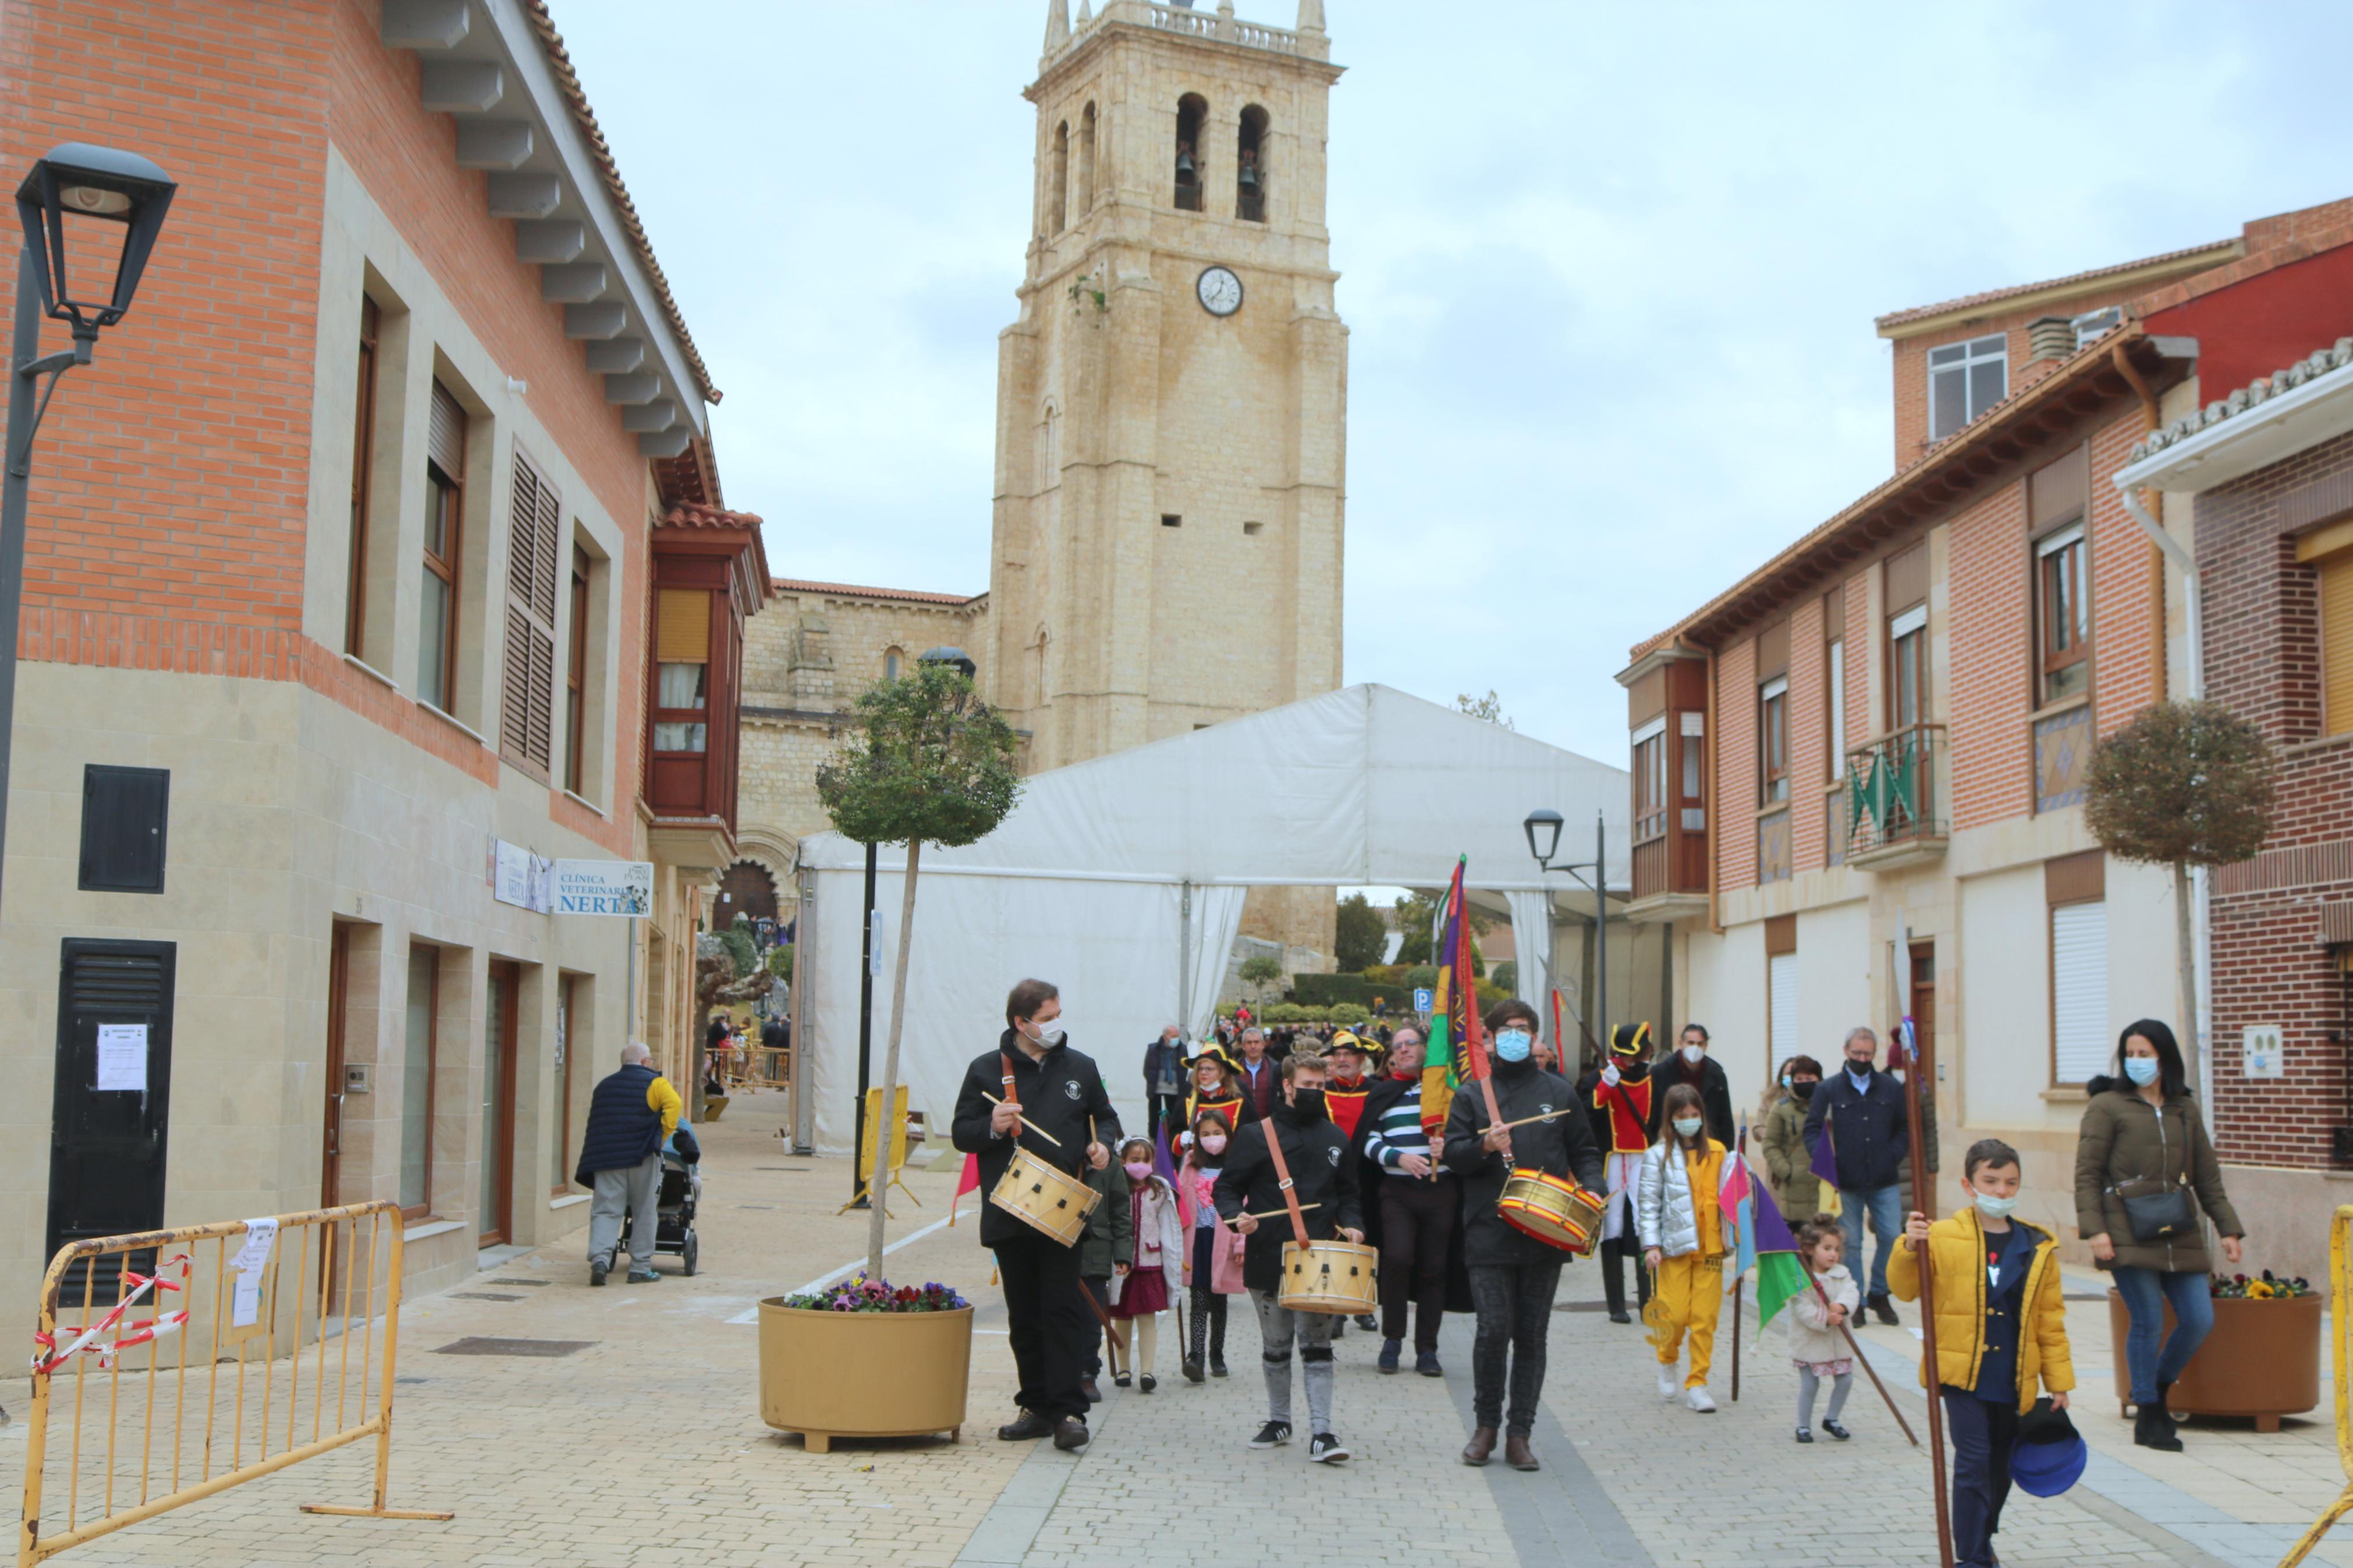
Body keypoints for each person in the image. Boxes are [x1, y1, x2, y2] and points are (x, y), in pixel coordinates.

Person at [950, 978, 1121, 1452]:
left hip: (1063, 1210)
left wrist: (1102, 1145)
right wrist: (991, 1125)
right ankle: (1036, 1406)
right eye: (1047, 1018)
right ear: (1020, 1022)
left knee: (1062, 1310)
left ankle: (1068, 1410)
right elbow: (961, 1132)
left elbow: (1106, 1117)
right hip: (1010, 1209)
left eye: (1058, 1014)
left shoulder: (1080, 1067)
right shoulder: (986, 1070)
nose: (1055, 1025)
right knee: (1025, 1315)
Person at [1896, 1139, 2075, 1568]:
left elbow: (2049, 1318)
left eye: (2009, 1182)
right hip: (1962, 1372)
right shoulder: (1940, 1234)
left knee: (2000, 1465)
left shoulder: (2036, 1245)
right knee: (1973, 1461)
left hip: (2013, 1374)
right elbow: (1904, 1288)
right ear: (1968, 1184)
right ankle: (1972, 1558)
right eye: (1990, 1181)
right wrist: (1907, 1246)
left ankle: (1982, 1534)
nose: (2000, 1191)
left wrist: (2059, 1381)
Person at [1443, 1000, 1605, 1470]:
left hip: (1545, 1232)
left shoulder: (1559, 1092)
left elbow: (1585, 1150)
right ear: (1489, 1038)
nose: (1516, 1036)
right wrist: (1481, 1145)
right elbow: (1453, 1155)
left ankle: (1520, 1433)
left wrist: (1592, 1188)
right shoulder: (1473, 1095)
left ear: (1534, 1038)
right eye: (1507, 1030)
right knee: (1493, 1329)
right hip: (1488, 1232)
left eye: (1524, 1029)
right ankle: (1485, 1425)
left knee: (1531, 1335)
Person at [2074, 1019, 2245, 1453]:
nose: (2136, 1061)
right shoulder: (2106, 1105)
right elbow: (2087, 1174)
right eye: (2129, 1053)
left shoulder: (2183, 1107)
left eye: (2144, 1053)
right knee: (2147, 1318)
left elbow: (2206, 1175)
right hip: (2124, 1226)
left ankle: (2159, 1389)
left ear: (2164, 1057)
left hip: (2177, 1225)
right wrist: (2095, 1231)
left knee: (2197, 1317)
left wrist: (2227, 1227)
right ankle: (2148, 1412)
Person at [1213, 1052, 1364, 1463]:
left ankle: (1323, 1432)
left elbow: (1349, 1193)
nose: (1315, 1092)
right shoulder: (1255, 1135)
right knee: (1275, 1345)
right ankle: (1279, 1420)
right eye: (1307, 1085)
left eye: (1321, 1086)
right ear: (1286, 1085)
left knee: (1316, 1346)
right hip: (1267, 1255)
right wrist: (1234, 1217)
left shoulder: (1336, 1138)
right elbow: (1226, 1188)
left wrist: (1353, 1224)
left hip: (1319, 1258)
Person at [1354, 1025, 1463, 1376]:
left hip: (1441, 1191)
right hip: (1397, 1193)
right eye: (1397, 1046)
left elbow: (1468, 1136)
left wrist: (1448, 1147)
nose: (1403, 1050)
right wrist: (1396, 1157)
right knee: (1397, 1259)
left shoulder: (1449, 1091)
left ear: (1426, 1049)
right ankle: (1393, 1340)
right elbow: (1366, 1141)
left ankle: (1427, 1350)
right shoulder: (1384, 1092)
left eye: (1410, 1043)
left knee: (1434, 1268)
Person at [1802, 1026, 1908, 1326]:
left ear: (1875, 1054)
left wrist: (1892, 1154)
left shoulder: (1890, 1088)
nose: (1863, 1058)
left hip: (1884, 1178)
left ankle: (1879, 1292)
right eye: (1857, 1053)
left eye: (1868, 1054)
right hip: (1844, 1181)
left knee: (1890, 1236)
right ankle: (1857, 1300)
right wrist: (1823, 1159)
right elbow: (1812, 1129)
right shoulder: (1829, 1089)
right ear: (1846, 1051)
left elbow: (1904, 1128)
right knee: (1853, 1242)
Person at [1639, 1083, 1729, 1413]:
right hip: (1674, 1249)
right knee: (1674, 1315)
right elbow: (1648, 1203)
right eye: (1682, 1116)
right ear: (1671, 1119)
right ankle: (1667, 1358)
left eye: (1694, 1115)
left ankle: (1698, 1383)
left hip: (1712, 1249)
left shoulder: (1719, 1152)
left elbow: (1734, 1201)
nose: (1689, 1121)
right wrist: (1651, 1244)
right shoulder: (1657, 1156)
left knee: (1704, 1319)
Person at [576, 1041, 684, 1286]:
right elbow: (674, 1105)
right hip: (642, 1155)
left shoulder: (604, 1085)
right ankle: (640, 1268)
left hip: (606, 1158)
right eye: (651, 1060)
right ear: (645, 1061)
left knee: (606, 1210)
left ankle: (600, 1261)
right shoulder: (656, 1083)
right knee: (644, 1209)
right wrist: (662, 1136)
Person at [1575, 1023, 1657, 1322]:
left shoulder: (1653, 1079)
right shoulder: (1600, 1077)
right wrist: (1605, 1085)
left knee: (1644, 1224)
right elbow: (1588, 1110)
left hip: (1644, 1160)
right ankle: (1616, 1305)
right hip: (1611, 1160)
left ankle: (1648, 1301)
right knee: (1613, 1226)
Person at [1109, 1137, 1181, 1393]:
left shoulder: (1159, 1191)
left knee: (1147, 1317)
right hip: (1122, 1264)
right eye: (1134, 1160)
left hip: (1150, 1262)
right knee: (1123, 1318)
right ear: (1123, 1161)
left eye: (1146, 1160)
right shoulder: (1117, 1187)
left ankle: (1148, 1370)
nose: (1140, 1165)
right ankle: (1123, 1368)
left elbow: (1170, 1225)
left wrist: (1174, 1257)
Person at [1177, 1108, 1245, 1381]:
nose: (1212, 1139)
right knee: (1199, 1297)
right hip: (1198, 1241)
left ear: (1228, 1135)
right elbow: (1180, 1201)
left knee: (1219, 1299)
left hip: (1224, 1242)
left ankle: (1217, 1353)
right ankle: (1196, 1355)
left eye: (1217, 1133)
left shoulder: (1237, 1165)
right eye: (1205, 1134)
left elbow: (1246, 1207)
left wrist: (1241, 1244)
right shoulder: (1192, 1163)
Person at [1786, 1216, 1859, 1443]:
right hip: (1810, 1343)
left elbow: (1852, 1292)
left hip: (1838, 1343)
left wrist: (1843, 1306)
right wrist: (1825, 1318)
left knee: (1845, 1380)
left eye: (1836, 1249)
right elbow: (1801, 1308)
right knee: (1810, 1384)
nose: (1833, 1254)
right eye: (1827, 1248)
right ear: (1809, 1249)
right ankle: (1803, 1426)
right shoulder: (1801, 1278)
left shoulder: (1842, 1273)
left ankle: (1832, 1419)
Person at [1077, 1144, 1134, 1403]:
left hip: (1095, 1252)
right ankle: (1059, 1373)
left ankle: (1087, 1374)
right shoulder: (1054, 1151)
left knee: (1092, 1319)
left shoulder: (1108, 1162)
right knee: (1057, 1316)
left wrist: (1123, 1253)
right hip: (1054, 1247)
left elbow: (1121, 1210)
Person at [1646, 1022, 1734, 1147]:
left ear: (1706, 1046)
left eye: (1700, 1044)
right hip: (1669, 1143)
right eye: (1691, 1043)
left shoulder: (1717, 1075)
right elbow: (1653, 1115)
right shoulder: (1661, 1073)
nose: (1695, 1048)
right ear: (1681, 1044)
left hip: (1707, 1143)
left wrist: (1728, 1151)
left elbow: (1725, 1119)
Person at [1761, 1055, 1826, 1223]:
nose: (1804, 1082)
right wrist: (1787, 1172)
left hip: (1825, 1186)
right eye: (1800, 1079)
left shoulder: (1829, 1104)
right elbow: (1770, 1144)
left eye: (1809, 1078)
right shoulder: (1781, 1107)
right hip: (1794, 1189)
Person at [1176, 1043, 1251, 1161]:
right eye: (1200, 1069)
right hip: (1197, 1165)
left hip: (1231, 1165)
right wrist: (1180, 1140)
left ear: (1221, 1072)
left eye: (1209, 1069)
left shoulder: (1239, 1102)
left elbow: (1250, 1138)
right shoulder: (1188, 1101)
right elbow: (1174, 1133)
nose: (1203, 1073)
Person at [1143, 1026, 1188, 1150]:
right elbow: (1147, 1068)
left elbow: (1184, 1069)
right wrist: (1152, 1081)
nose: (1176, 1039)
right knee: (1154, 1118)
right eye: (1173, 1036)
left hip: (1174, 1090)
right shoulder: (1153, 1049)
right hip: (1156, 1089)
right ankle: (1154, 1142)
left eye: (1177, 1036)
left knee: (1174, 1116)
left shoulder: (1182, 1049)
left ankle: (1172, 1141)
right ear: (1165, 1036)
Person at [1234, 1026, 1279, 1121]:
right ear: (1243, 1046)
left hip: (1268, 1123)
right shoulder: (1234, 1070)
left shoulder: (1275, 1068)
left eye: (1256, 1042)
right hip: (1242, 1124)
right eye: (1249, 1043)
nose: (1253, 1046)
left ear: (1263, 1044)